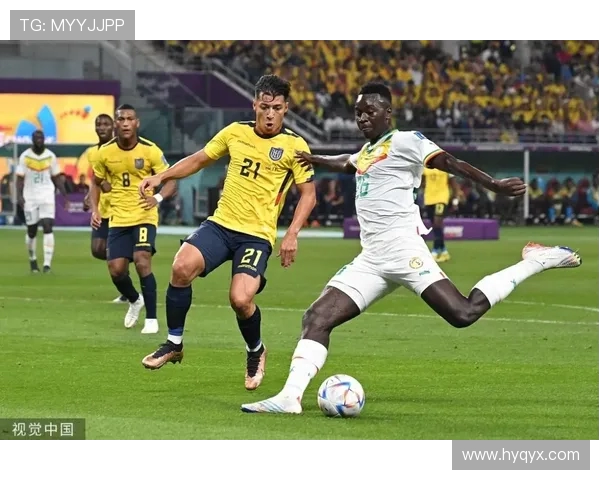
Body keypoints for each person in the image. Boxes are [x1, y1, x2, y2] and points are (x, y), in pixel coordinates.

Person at [241, 82, 582, 414]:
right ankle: (290, 397)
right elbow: (347, 162)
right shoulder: (368, 151)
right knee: (316, 317)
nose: (362, 118)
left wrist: (493, 184)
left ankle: (535, 261)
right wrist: (312, 158)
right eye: (358, 113)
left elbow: (449, 162)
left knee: (462, 314)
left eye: (369, 112)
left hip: (404, 251)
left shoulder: (407, 141)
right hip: (371, 259)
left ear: (388, 113)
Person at [138, 74, 317, 391]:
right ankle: (174, 343)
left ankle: (256, 350)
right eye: (265, 107)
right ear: (255, 105)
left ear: (286, 108)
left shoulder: (295, 146)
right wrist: (161, 176)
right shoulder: (235, 132)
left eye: (276, 108)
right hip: (221, 225)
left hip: (256, 235)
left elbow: (309, 194)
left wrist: (292, 234)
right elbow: (199, 159)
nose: (270, 114)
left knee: (240, 299)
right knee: (181, 267)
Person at [89, 104, 177, 334]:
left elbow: (171, 180)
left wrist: (157, 198)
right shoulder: (104, 152)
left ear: (137, 123)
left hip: (144, 215)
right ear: (116, 124)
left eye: (130, 119)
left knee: (141, 259)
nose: (125, 123)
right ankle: (135, 299)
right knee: (116, 269)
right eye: (121, 119)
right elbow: (96, 183)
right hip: (118, 217)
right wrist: (95, 210)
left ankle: (151, 319)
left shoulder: (150, 150)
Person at [83, 114, 128, 303]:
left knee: (112, 252)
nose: (102, 127)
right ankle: (126, 259)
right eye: (98, 124)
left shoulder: (120, 148)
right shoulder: (92, 153)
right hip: (102, 208)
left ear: (113, 127)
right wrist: (89, 196)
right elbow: (96, 180)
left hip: (120, 207)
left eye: (106, 124)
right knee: (97, 249)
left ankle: (127, 291)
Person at [16, 130, 69, 273]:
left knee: (47, 225)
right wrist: (19, 196)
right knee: (32, 230)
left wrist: (65, 195)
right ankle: (33, 259)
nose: (39, 140)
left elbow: (56, 177)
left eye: (41, 137)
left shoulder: (50, 156)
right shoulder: (25, 156)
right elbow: (20, 178)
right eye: (36, 138)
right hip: (30, 195)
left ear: (44, 139)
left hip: (47, 194)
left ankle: (47, 264)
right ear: (32, 139)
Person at [421, 165, 460, 262]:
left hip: (441, 199)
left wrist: (455, 201)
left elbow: (454, 186)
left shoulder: (446, 166)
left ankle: (434, 252)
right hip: (429, 200)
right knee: (436, 226)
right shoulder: (425, 167)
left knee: (437, 223)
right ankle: (444, 252)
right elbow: (422, 182)